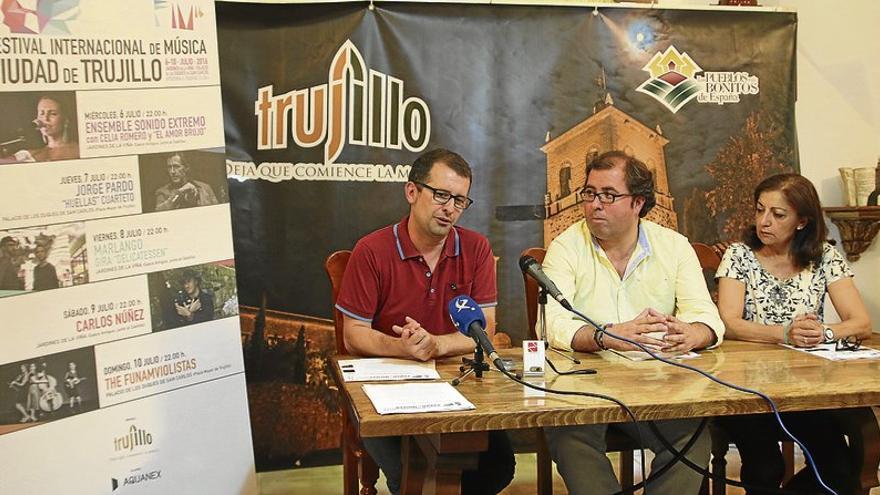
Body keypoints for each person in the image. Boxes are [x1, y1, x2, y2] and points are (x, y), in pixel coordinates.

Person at [541, 150, 724, 495]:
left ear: (638, 203)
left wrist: (692, 333)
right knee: (568, 435)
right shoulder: (566, 247)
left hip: (659, 386)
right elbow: (552, 323)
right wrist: (606, 336)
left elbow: (706, 316)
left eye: (608, 195)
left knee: (693, 439)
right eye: (589, 193)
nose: (595, 204)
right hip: (586, 388)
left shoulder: (674, 246)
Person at [335, 148, 515, 495]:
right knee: (415, 473)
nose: (449, 208)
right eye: (442, 195)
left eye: (460, 200)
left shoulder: (475, 248)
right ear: (412, 191)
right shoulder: (372, 250)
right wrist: (401, 347)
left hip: (456, 387)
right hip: (388, 390)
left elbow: (486, 328)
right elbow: (353, 334)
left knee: (496, 467)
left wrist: (437, 344)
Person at [716, 173, 872, 495]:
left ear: (802, 222)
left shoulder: (825, 256)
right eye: (760, 210)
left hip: (806, 390)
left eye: (778, 214)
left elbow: (860, 323)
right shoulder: (739, 254)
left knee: (840, 471)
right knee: (766, 467)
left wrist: (822, 332)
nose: (764, 221)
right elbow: (728, 322)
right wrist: (783, 334)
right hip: (745, 390)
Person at [12, 94, 79, 163]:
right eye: (42, 113)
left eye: (53, 114)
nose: (45, 118)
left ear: (65, 120)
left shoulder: (78, 150)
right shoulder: (29, 154)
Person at [154, 152, 218, 211]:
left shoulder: (205, 188)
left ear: (187, 168)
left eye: (176, 166)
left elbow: (217, 211)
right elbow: (158, 212)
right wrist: (179, 193)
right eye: (169, 167)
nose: (172, 171)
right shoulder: (162, 192)